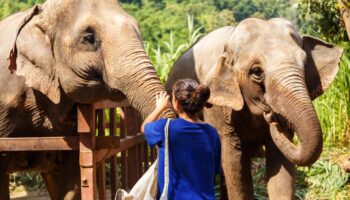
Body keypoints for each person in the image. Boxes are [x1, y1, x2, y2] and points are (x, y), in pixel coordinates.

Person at [141, 79, 221, 200]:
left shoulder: (165, 128)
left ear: (176, 104)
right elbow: (214, 171)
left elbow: (144, 127)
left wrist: (159, 108)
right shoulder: (212, 133)